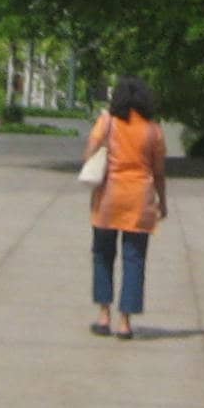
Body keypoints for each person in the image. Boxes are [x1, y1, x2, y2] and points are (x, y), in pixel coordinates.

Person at [87, 77, 169, 340]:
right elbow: (159, 172)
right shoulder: (153, 130)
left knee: (102, 254)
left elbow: (89, 154)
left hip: (109, 197)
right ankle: (125, 322)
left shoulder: (107, 123)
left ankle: (103, 316)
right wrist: (162, 202)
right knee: (134, 259)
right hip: (140, 199)